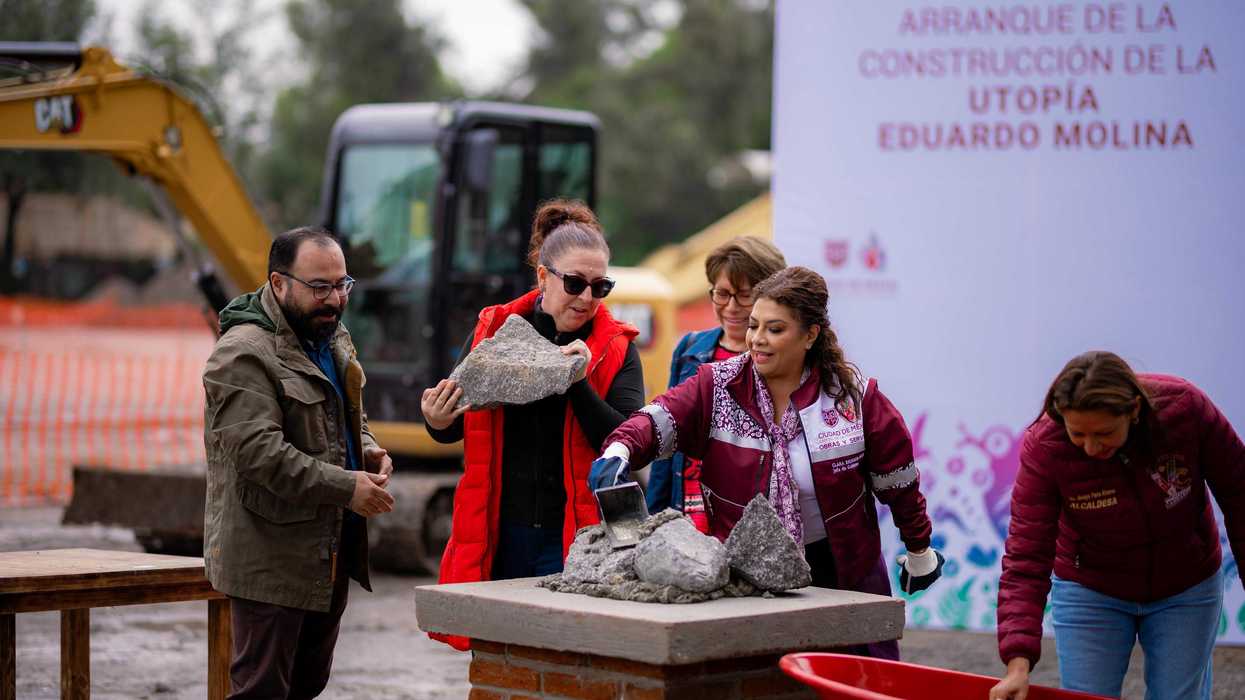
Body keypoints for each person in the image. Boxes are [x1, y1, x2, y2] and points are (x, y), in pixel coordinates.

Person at [589, 266, 943, 660]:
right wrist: (619, 451)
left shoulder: (855, 399)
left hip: (843, 578)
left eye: (775, 329)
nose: (757, 339)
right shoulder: (715, 386)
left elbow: (900, 486)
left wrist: (919, 550)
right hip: (747, 581)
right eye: (755, 326)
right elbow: (656, 419)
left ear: (811, 335)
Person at [422, 199, 644, 650]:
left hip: (580, 536)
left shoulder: (618, 347)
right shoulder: (496, 329)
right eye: (575, 283)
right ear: (543, 276)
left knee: (568, 662)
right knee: (497, 659)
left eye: (600, 287)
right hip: (503, 532)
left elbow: (626, 442)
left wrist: (577, 383)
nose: (586, 298)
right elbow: (457, 421)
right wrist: (437, 421)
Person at [202, 226, 395, 699]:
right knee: (263, 690)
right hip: (270, 557)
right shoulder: (242, 354)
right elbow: (258, 455)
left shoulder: (330, 336)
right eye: (319, 287)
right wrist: (347, 486)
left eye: (342, 285)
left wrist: (365, 446)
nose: (333, 299)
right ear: (278, 283)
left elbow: (345, 416)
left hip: (324, 551)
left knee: (307, 686)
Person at [990, 351, 1245, 700]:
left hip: (1187, 584)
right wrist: (1017, 667)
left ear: (1135, 410)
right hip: (1090, 588)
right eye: (1078, 434)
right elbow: (1025, 557)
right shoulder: (1045, 446)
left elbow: (1239, 495)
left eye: (1105, 433)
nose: (1091, 446)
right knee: (1086, 697)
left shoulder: (1185, 409)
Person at [647, 236, 787, 532]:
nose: (732, 307)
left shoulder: (780, 358)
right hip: (686, 511)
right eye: (722, 294)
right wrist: (654, 519)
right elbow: (666, 440)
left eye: (745, 295)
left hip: (750, 519)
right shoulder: (689, 348)